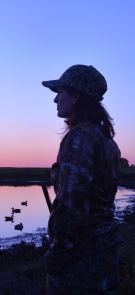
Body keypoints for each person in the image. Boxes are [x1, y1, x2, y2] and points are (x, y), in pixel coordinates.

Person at [41, 65, 123, 295]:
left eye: (60, 92)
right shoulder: (107, 141)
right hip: (105, 254)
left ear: (76, 95)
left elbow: (72, 205)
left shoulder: (80, 137)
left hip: (82, 261)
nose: (56, 99)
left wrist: (57, 255)